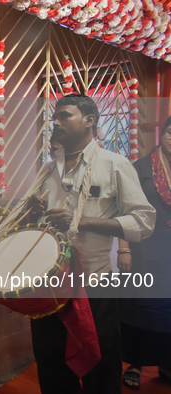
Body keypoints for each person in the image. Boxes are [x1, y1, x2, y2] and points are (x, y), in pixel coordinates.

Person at [27, 94, 155, 393]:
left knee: (101, 365)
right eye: (54, 117)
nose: (56, 122)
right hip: (49, 283)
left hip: (94, 282)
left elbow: (144, 221)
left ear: (89, 121)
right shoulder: (48, 168)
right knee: (51, 362)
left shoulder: (115, 165)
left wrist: (83, 221)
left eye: (65, 116)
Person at [118, 116, 171, 390]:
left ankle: (166, 362)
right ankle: (135, 362)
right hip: (144, 249)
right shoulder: (140, 168)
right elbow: (124, 209)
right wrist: (124, 249)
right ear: (163, 134)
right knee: (140, 307)